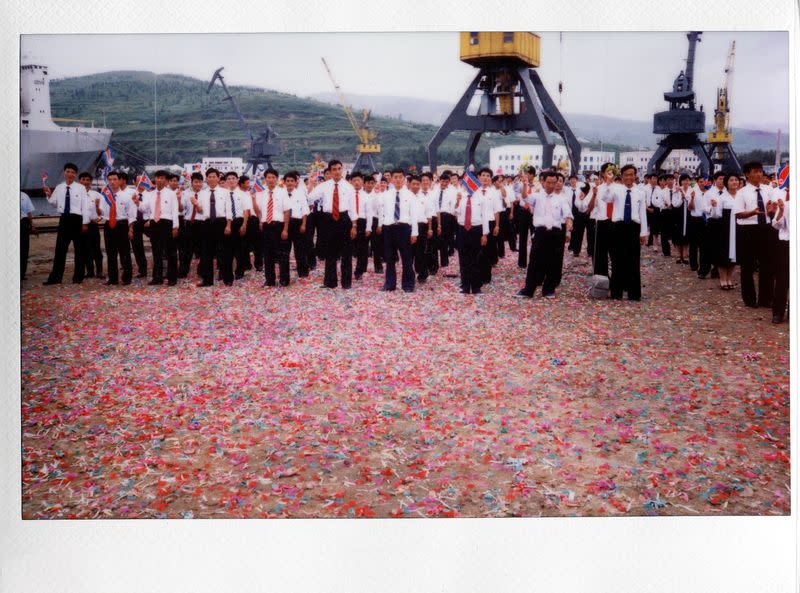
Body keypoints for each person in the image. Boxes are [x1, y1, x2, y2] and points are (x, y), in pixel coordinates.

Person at [514, 170, 572, 299]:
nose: (551, 185)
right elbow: (525, 197)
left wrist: (569, 222)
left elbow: (567, 213)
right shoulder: (537, 196)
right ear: (543, 182)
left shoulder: (561, 199)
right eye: (549, 182)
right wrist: (524, 184)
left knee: (553, 262)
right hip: (540, 232)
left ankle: (549, 290)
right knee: (535, 261)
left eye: (554, 182)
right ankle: (528, 290)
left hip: (556, 233)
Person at [600, 164, 648, 300]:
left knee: (633, 261)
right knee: (617, 260)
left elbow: (642, 213)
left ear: (635, 176)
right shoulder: (616, 189)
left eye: (631, 174)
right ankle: (616, 293)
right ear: (621, 176)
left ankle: (634, 294)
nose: (629, 177)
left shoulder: (640, 192)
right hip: (618, 227)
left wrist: (643, 233)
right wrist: (609, 183)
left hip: (633, 227)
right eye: (626, 174)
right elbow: (605, 198)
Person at [308, 160, 357, 289]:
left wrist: (354, 225)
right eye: (334, 169)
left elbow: (353, 209)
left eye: (339, 168)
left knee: (346, 253)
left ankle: (346, 283)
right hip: (328, 220)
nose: (337, 171)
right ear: (329, 171)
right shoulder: (324, 186)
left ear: (342, 169)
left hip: (344, 219)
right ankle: (330, 282)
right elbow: (310, 198)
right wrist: (311, 185)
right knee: (330, 253)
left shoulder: (349, 187)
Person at [734, 161, 775, 309]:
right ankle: (750, 299)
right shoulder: (742, 192)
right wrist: (752, 212)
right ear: (747, 174)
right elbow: (738, 214)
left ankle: (766, 299)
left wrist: (772, 210)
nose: (759, 174)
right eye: (755, 171)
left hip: (767, 228)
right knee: (747, 266)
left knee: (767, 265)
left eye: (760, 171)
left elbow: (775, 210)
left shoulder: (769, 190)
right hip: (748, 231)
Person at [43, 162, 90, 285]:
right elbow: (54, 204)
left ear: (75, 174)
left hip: (77, 220)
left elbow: (85, 206)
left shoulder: (80, 188)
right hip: (64, 220)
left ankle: (78, 277)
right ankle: (55, 278)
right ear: (64, 173)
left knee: (79, 250)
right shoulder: (59, 187)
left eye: (73, 172)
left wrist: (85, 223)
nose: (70, 174)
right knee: (60, 250)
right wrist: (48, 194)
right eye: (68, 171)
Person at [376, 168, 419, 292]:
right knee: (389, 258)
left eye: (400, 177)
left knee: (407, 258)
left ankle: (408, 285)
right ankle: (390, 284)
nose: (398, 179)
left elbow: (414, 215)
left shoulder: (410, 195)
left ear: (404, 179)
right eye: (395, 177)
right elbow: (381, 212)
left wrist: (414, 232)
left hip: (404, 228)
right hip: (389, 228)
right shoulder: (385, 194)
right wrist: (380, 225)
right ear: (391, 179)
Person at [136, 170, 179, 286]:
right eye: (157, 178)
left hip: (167, 223)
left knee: (170, 252)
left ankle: (172, 278)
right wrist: (137, 202)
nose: (159, 180)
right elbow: (144, 208)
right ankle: (157, 277)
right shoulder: (151, 194)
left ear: (166, 180)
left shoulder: (171, 194)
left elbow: (175, 211)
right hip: (154, 224)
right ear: (154, 179)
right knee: (156, 252)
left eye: (162, 178)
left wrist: (175, 227)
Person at [255, 168, 291, 287]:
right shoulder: (261, 193)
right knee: (267, 254)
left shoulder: (282, 192)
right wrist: (261, 221)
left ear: (277, 179)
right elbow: (259, 210)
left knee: (282, 254)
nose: (271, 180)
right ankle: (270, 280)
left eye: (273, 177)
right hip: (266, 226)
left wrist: (285, 229)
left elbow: (287, 211)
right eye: (268, 177)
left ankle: (284, 279)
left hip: (279, 226)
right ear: (265, 179)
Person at [581, 163, 617, 278]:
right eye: (608, 171)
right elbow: (588, 208)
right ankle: (602, 280)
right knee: (601, 255)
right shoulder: (597, 189)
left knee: (616, 254)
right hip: (602, 223)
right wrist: (594, 195)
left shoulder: (619, 188)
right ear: (602, 174)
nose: (610, 174)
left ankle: (617, 283)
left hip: (616, 223)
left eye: (612, 172)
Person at [99, 171, 135, 285]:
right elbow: (101, 212)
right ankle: (113, 279)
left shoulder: (126, 196)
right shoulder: (104, 196)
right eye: (110, 180)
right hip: (109, 225)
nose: (112, 182)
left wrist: (131, 229)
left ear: (119, 180)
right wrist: (96, 207)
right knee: (110, 253)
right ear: (107, 181)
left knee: (125, 253)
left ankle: (127, 278)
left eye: (115, 179)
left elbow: (131, 214)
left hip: (122, 225)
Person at [454, 181, 490, 295]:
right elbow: (455, 212)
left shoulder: (481, 197)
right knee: (463, 259)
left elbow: (485, 216)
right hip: (462, 230)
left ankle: (476, 287)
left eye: (469, 183)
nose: (467, 186)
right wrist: (457, 201)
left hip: (476, 229)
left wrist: (485, 234)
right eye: (465, 184)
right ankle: (465, 286)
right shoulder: (461, 196)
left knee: (476, 259)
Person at [705, 173, 738, 290]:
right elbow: (716, 214)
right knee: (723, 254)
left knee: (735, 254)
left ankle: (729, 278)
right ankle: (723, 279)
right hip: (724, 228)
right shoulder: (722, 197)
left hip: (738, 227)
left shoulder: (741, 195)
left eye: (736, 180)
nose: (734, 182)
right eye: (731, 180)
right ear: (727, 183)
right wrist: (713, 206)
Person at [192, 168, 225, 287]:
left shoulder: (224, 192)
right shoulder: (202, 193)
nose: (211, 178)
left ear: (218, 178)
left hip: (221, 222)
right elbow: (200, 211)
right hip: (206, 223)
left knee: (222, 251)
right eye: (209, 176)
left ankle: (226, 278)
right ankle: (207, 280)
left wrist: (229, 225)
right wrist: (196, 205)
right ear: (206, 179)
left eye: (214, 176)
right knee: (206, 252)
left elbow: (228, 211)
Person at [221, 171, 251, 284]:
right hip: (227, 222)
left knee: (240, 249)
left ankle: (239, 271)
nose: (231, 180)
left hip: (239, 221)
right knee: (227, 250)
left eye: (233, 178)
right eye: (229, 179)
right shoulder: (223, 194)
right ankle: (227, 275)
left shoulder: (244, 194)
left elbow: (246, 210)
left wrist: (244, 224)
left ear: (237, 180)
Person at [285, 170, 310, 278]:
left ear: (296, 182)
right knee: (285, 249)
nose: (290, 183)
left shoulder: (300, 194)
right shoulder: (281, 193)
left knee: (299, 249)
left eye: (292, 181)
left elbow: (305, 210)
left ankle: (303, 272)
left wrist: (303, 225)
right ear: (284, 182)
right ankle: (285, 274)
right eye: (288, 181)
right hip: (285, 224)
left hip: (297, 223)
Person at [79, 172, 104, 279]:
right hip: (80, 225)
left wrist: (99, 217)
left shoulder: (97, 195)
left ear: (90, 182)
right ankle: (90, 271)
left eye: (88, 180)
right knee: (84, 249)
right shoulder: (76, 194)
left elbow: (102, 212)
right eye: (83, 179)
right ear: (79, 181)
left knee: (96, 249)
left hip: (93, 225)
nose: (85, 182)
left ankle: (99, 271)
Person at [180, 172, 205, 278]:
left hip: (202, 223)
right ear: (192, 182)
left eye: (200, 182)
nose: (198, 184)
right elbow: (181, 209)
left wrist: (196, 204)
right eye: (196, 182)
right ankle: (183, 271)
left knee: (203, 249)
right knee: (187, 249)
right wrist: (177, 199)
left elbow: (202, 210)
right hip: (189, 223)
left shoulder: (206, 194)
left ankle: (202, 271)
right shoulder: (185, 193)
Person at [770, 195, 789, 323]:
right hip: (787, 244)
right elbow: (776, 225)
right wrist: (781, 211)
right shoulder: (787, 204)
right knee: (782, 279)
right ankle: (778, 313)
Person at [349, 171, 370, 280]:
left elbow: (369, 214)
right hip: (350, 222)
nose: (356, 183)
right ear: (351, 182)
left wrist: (369, 227)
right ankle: (347, 270)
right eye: (354, 180)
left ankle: (359, 271)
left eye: (359, 180)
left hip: (362, 222)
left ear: (362, 182)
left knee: (362, 249)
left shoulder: (366, 196)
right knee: (348, 247)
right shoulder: (348, 195)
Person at [515, 166, 536, 269]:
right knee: (523, 237)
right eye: (525, 174)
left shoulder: (538, 186)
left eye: (527, 174)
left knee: (534, 237)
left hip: (533, 214)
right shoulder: (521, 184)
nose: (526, 176)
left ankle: (534, 260)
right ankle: (522, 262)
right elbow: (514, 190)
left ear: (532, 174)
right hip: (523, 211)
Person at [420, 172, 440, 276]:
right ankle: (424, 266)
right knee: (423, 245)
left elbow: (437, 210)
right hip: (422, 221)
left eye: (427, 180)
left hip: (433, 220)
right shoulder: (417, 194)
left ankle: (434, 266)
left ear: (430, 181)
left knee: (433, 245)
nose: (425, 182)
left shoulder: (433, 194)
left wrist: (439, 224)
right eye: (423, 180)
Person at [686, 176, 706, 274]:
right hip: (695, 219)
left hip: (705, 220)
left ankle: (703, 265)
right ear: (697, 182)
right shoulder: (693, 191)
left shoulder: (709, 192)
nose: (703, 183)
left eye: (704, 181)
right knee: (693, 244)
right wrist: (692, 198)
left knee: (704, 244)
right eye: (701, 182)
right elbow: (690, 208)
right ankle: (693, 265)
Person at [130, 176, 149, 279]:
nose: (141, 183)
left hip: (147, 221)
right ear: (134, 183)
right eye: (139, 181)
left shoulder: (150, 195)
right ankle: (142, 270)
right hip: (135, 221)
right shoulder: (131, 195)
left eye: (143, 181)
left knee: (157, 245)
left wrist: (150, 220)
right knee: (137, 247)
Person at [365, 173, 384, 273]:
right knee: (363, 246)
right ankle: (362, 267)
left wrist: (380, 225)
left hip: (375, 221)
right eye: (368, 183)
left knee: (376, 246)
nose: (369, 185)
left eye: (372, 183)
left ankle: (378, 267)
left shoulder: (377, 196)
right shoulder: (361, 195)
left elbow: (381, 212)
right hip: (364, 221)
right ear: (364, 184)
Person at [671, 174, 691, 265]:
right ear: (680, 181)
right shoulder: (676, 191)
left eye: (687, 180)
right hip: (678, 215)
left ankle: (685, 255)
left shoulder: (692, 191)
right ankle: (679, 255)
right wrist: (682, 199)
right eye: (684, 180)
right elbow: (675, 204)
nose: (686, 182)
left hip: (689, 215)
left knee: (687, 235)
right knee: (678, 235)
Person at [566, 174, 587, 256]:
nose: (573, 181)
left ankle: (576, 250)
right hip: (570, 212)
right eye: (571, 179)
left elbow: (583, 201)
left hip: (579, 213)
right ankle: (572, 245)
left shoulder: (580, 191)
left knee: (579, 231)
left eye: (574, 179)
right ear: (569, 181)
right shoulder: (567, 191)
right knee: (572, 230)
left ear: (576, 181)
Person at [20, 191, 37, 280]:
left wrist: (32, 226)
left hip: (23, 223)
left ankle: (22, 273)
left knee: (24, 249)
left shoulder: (24, 195)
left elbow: (29, 212)